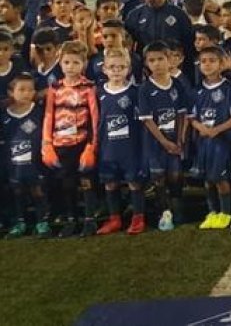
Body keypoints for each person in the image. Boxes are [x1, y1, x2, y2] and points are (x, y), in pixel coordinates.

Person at [42, 40, 100, 236]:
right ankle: (71, 219)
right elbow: (48, 116)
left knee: (87, 182)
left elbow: (95, 119)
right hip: (61, 144)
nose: (71, 67)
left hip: (83, 142)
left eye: (76, 62)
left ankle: (90, 219)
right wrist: (47, 145)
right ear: (60, 62)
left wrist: (92, 146)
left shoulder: (89, 87)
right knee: (67, 184)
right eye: (67, 62)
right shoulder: (55, 88)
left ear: (83, 64)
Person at [138, 40, 193, 231]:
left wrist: (179, 138)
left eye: (160, 59)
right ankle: (164, 212)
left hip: (174, 139)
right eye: (152, 60)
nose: (157, 64)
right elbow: (147, 119)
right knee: (159, 177)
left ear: (169, 60)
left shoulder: (177, 84)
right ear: (146, 63)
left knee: (175, 175)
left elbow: (183, 113)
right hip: (155, 142)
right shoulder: (145, 89)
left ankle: (178, 209)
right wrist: (164, 141)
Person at [94, 48, 146, 235]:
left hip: (130, 147)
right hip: (108, 147)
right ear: (104, 69)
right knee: (110, 183)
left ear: (128, 69)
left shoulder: (135, 92)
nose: (116, 71)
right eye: (112, 67)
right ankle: (114, 219)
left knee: (134, 182)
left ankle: (138, 218)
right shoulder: (98, 93)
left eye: (121, 67)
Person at [191, 46, 231, 230]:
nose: (207, 64)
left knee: (220, 178)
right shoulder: (197, 90)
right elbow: (192, 117)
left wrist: (218, 129)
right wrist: (200, 127)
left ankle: (226, 213)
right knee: (207, 178)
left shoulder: (229, 88)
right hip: (203, 141)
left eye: (212, 61)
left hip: (221, 142)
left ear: (222, 64)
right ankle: (212, 212)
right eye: (203, 61)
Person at [4, 73, 50, 238]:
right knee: (17, 192)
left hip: (35, 163)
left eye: (30, 90)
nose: (26, 93)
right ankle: (20, 222)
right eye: (21, 89)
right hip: (13, 164)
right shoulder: (5, 116)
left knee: (37, 190)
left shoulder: (39, 112)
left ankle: (42, 222)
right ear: (11, 92)